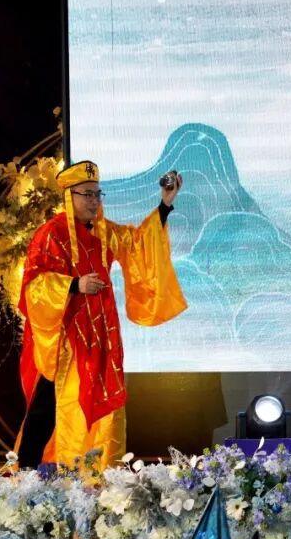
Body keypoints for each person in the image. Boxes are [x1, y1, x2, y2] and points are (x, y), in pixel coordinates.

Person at [15, 161, 188, 470]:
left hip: (102, 335)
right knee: (49, 403)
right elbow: (35, 284)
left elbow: (139, 243)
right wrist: (74, 285)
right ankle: (28, 470)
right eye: (87, 194)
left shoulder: (105, 232)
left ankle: (98, 473)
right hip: (67, 337)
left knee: (103, 403)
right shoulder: (51, 234)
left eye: (97, 194)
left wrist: (165, 205)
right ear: (69, 196)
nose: (94, 201)